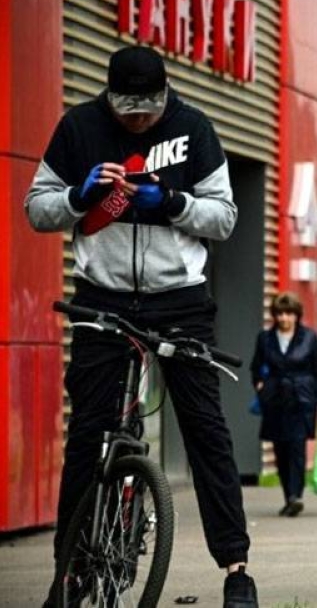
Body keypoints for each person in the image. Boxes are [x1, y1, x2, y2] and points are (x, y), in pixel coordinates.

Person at [25, 46, 257, 607]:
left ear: (164, 95)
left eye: (147, 110)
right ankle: (69, 571)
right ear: (109, 95)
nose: (136, 120)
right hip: (102, 298)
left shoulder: (194, 128)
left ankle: (236, 568)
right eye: (127, 109)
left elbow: (223, 217)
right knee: (87, 435)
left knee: (207, 431)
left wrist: (174, 202)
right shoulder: (79, 126)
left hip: (179, 301)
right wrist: (79, 198)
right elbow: (38, 208)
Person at [251, 292, 317, 516]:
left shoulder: (308, 338)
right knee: (280, 449)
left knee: (297, 448)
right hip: (274, 400)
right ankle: (288, 495)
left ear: (296, 315)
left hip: (301, 399)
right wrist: (259, 385)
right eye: (280, 314)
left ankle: (296, 495)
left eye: (289, 314)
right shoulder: (265, 338)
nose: (285, 318)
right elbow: (256, 366)